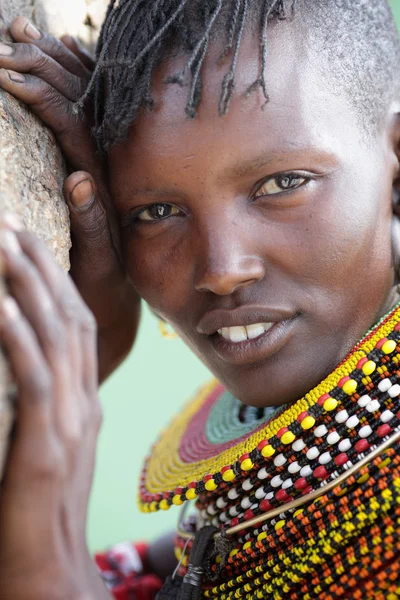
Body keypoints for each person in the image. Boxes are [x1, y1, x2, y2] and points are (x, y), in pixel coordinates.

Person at [0, 0, 400, 598]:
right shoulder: (269, 497)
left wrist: (49, 573)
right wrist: (97, 336)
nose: (223, 270)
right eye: (156, 212)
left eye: (281, 184)